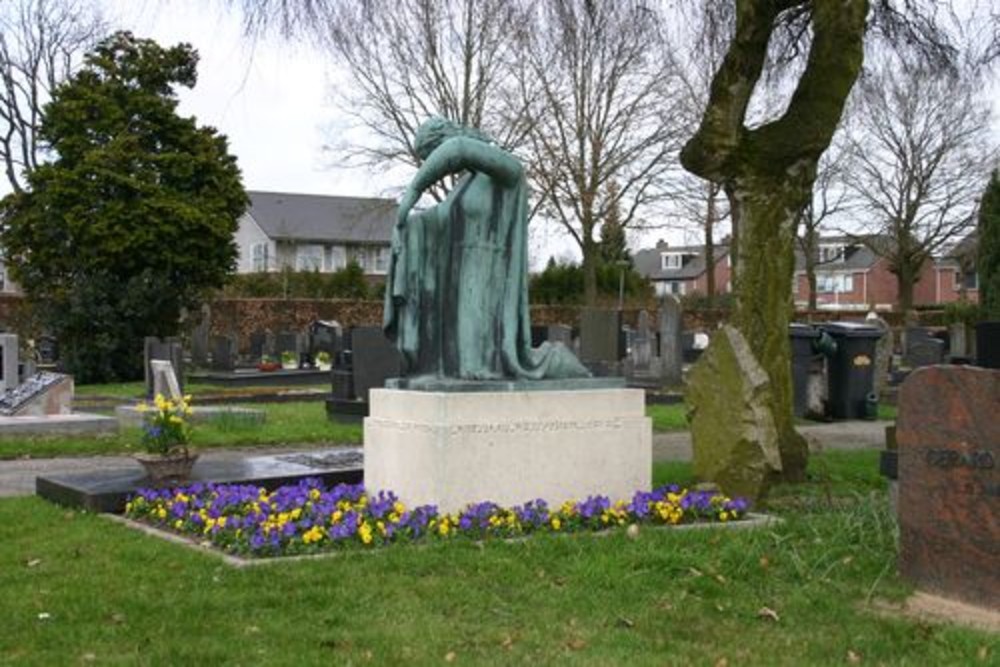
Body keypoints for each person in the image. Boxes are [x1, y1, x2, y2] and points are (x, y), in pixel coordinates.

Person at [384, 116, 589, 382]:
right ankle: (443, 369)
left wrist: (413, 191)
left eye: (431, 156)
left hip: (489, 274)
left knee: (475, 362)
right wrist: (406, 229)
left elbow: (458, 148)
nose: (432, 164)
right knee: (459, 353)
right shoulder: (463, 186)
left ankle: (553, 364)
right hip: (459, 276)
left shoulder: (507, 171)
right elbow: (437, 220)